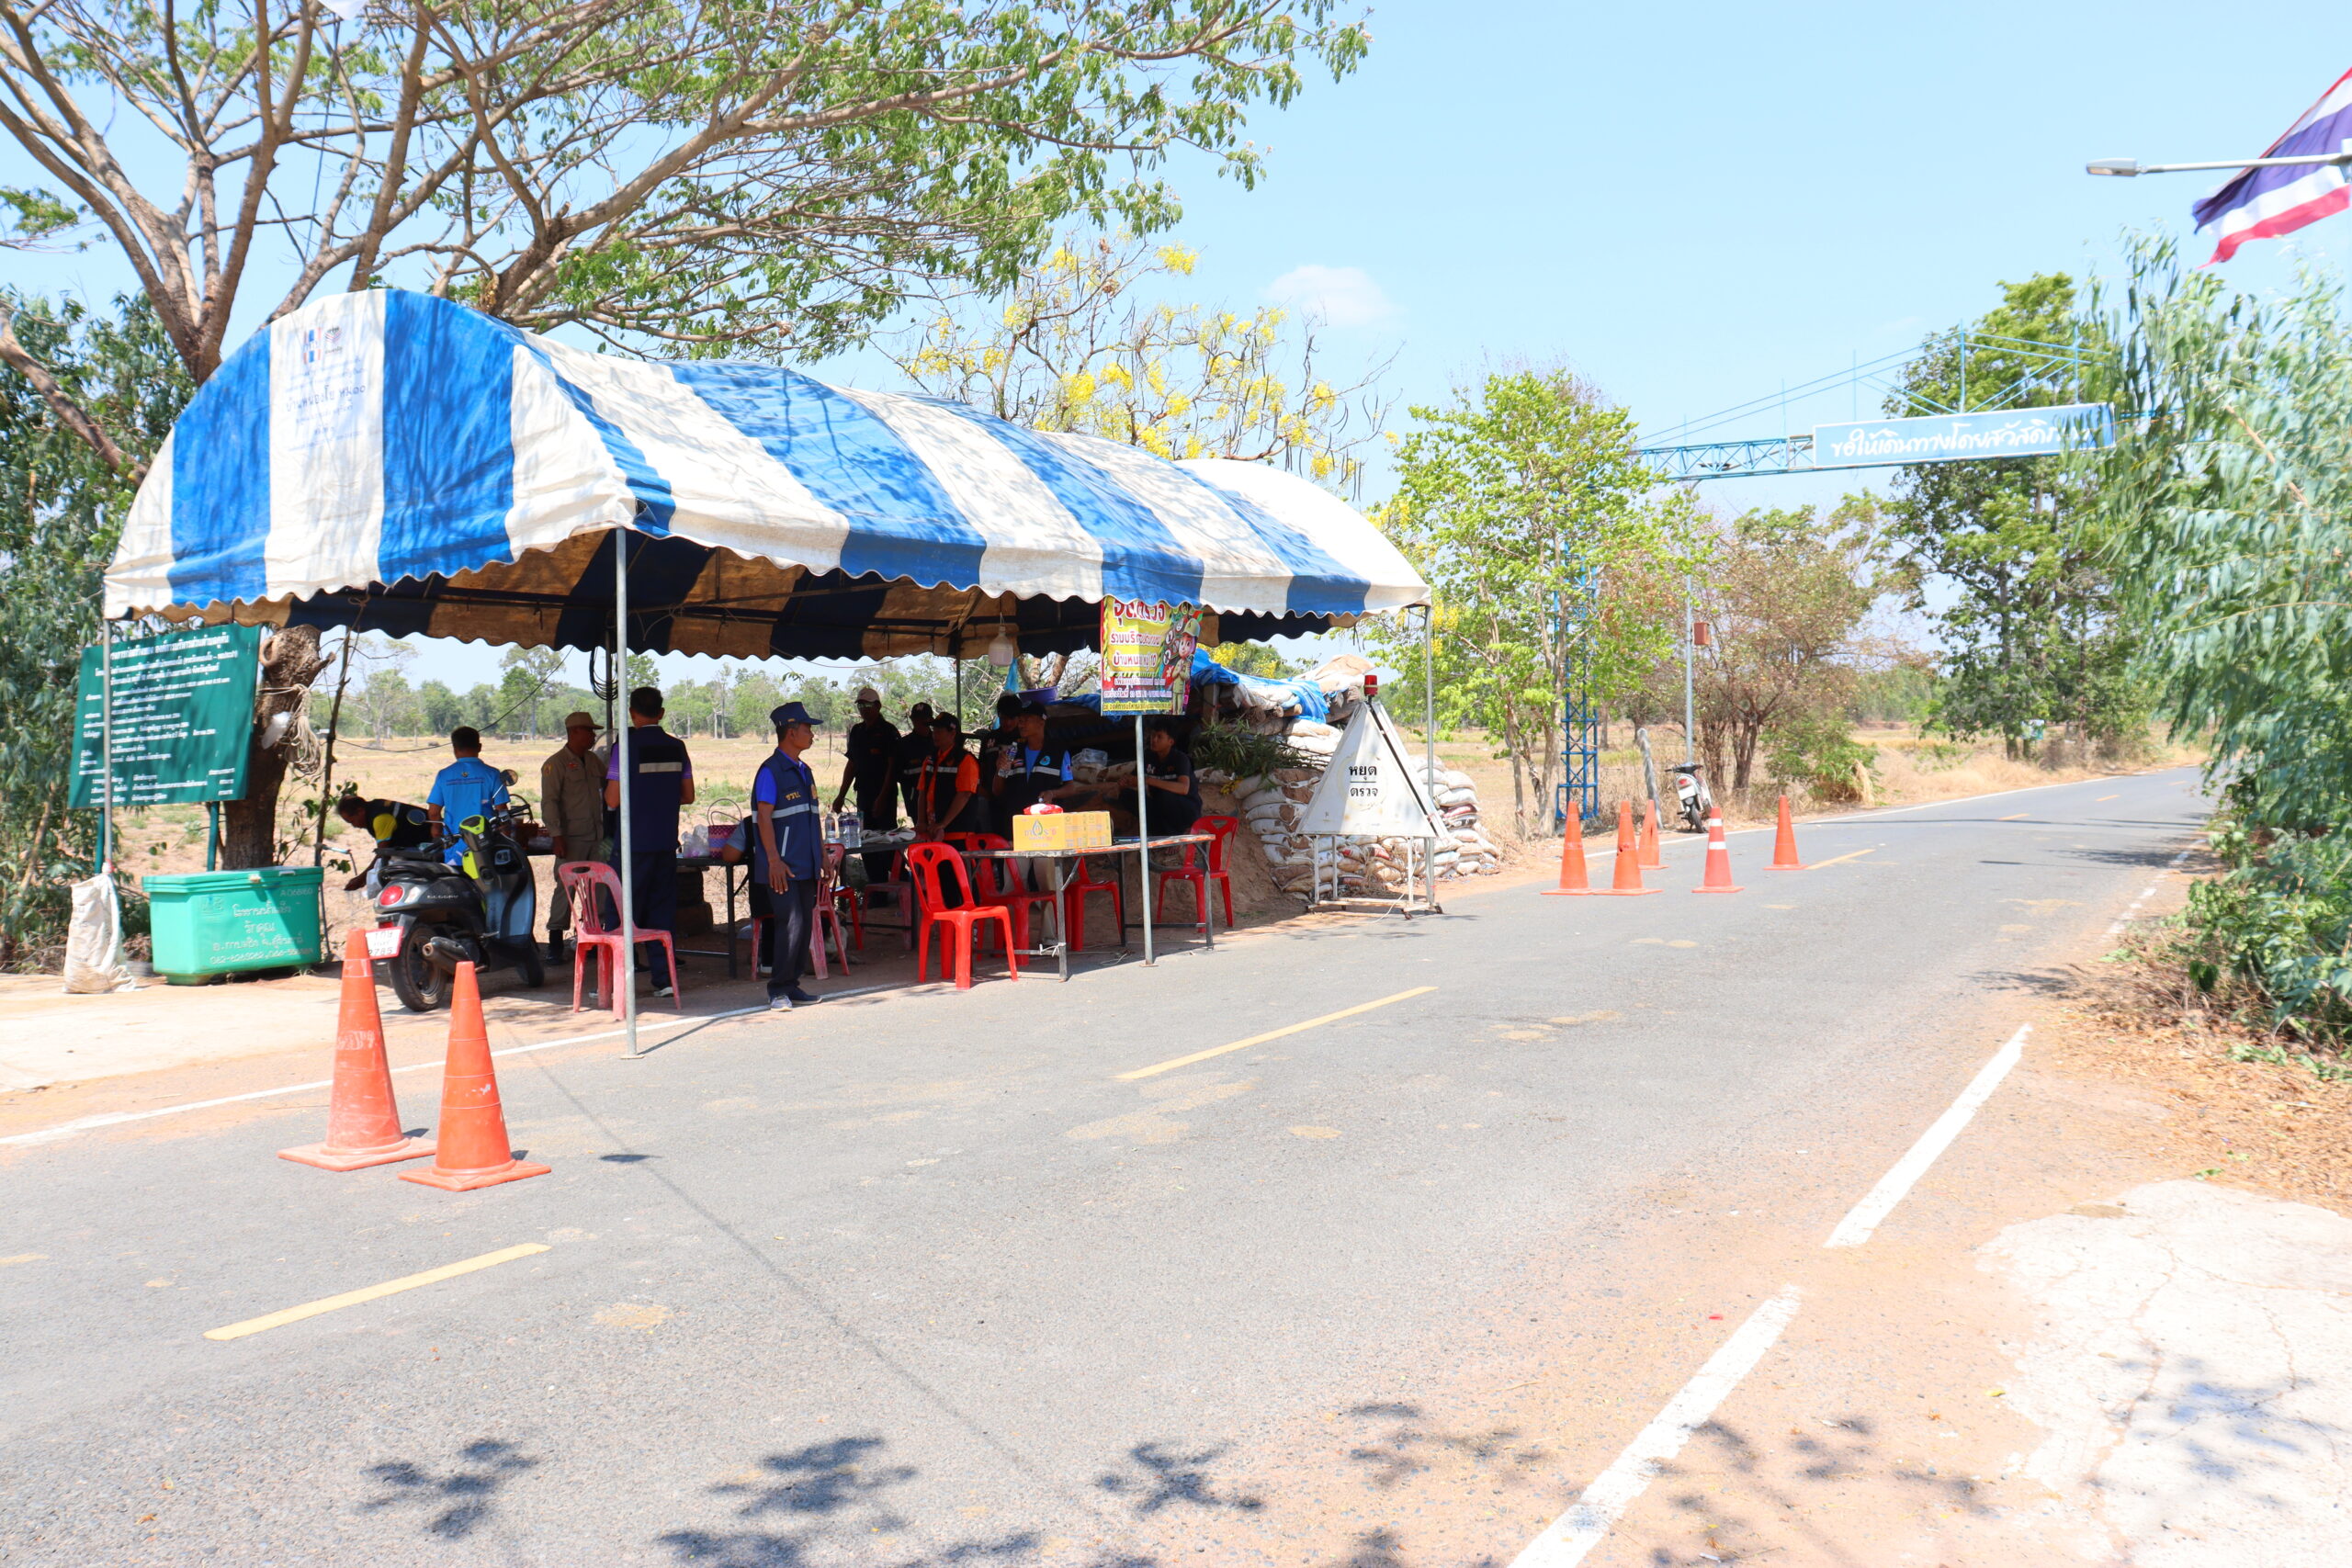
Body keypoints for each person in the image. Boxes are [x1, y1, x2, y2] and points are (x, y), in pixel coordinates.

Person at [603, 686, 695, 998]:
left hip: (632, 844)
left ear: (631, 713)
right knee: (661, 912)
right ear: (662, 713)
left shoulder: (624, 747)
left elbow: (612, 799)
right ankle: (664, 979)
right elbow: (688, 795)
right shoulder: (677, 747)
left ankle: (617, 982)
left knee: (620, 911)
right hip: (665, 842)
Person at [754, 702, 826, 1010]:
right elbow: (763, 817)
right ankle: (778, 989)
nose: (812, 734)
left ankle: (792, 984)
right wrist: (773, 860)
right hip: (782, 866)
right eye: (808, 729)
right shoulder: (770, 771)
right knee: (790, 924)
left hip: (806, 864)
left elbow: (812, 817)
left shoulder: (804, 771)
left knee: (804, 925)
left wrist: (822, 855)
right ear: (791, 732)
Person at [993, 701, 1088, 888]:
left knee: (1047, 886)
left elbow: (1071, 788)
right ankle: (1018, 910)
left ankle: (1048, 909)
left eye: (1027, 719)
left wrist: (1053, 793)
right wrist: (999, 771)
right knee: (1012, 886)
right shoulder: (1012, 751)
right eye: (1020, 719)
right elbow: (997, 790)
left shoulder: (1058, 751)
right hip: (1016, 827)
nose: (1021, 723)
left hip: (1047, 832)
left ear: (1042, 722)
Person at [538, 710, 605, 958]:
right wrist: (557, 836)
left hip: (599, 837)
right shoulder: (555, 764)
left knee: (599, 886)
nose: (593, 736)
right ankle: (555, 940)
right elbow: (549, 802)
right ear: (575, 732)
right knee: (567, 888)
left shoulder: (593, 760)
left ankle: (593, 936)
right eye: (589, 731)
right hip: (572, 838)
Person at [831, 684, 900, 882]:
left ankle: (901, 883)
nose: (863, 710)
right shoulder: (857, 731)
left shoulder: (888, 731)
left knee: (887, 843)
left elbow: (892, 767)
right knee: (865, 842)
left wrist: (882, 798)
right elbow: (852, 764)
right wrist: (841, 795)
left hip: (884, 796)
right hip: (864, 795)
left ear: (878, 706)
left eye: (867, 705)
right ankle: (876, 888)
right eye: (860, 706)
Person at [425, 727, 510, 863]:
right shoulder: (493, 774)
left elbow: (434, 812)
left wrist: (436, 829)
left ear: (454, 748)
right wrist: (507, 839)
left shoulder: (444, 775)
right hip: (485, 847)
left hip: (454, 848)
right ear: (479, 747)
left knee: (455, 877)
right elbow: (502, 811)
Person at [335, 792, 433, 891]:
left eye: (352, 821)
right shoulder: (374, 808)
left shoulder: (380, 818)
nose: (354, 826)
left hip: (432, 843)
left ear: (360, 811)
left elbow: (383, 853)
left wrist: (361, 879)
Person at [1136, 718, 1203, 836]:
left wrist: (1149, 781)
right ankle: (1157, 831)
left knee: (1165, 795)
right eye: (1152, 736)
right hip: (1160, 804)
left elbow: (1183, 788)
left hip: (1186, 809)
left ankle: (1177, 833)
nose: (1154, 740)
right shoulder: (1148, 756)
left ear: (1170, 741)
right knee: (1127, 796)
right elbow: (1135, 778)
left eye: (1159, 737)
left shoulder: (1180, 759)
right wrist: (1126, 781)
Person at [892, 702, 935, 828]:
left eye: (923, 719)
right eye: (916, 719)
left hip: (937, 799)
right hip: (914, 799)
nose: (919, 723)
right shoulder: (904, 744)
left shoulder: (937, 741)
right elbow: (896, 773)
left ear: (930, 720)